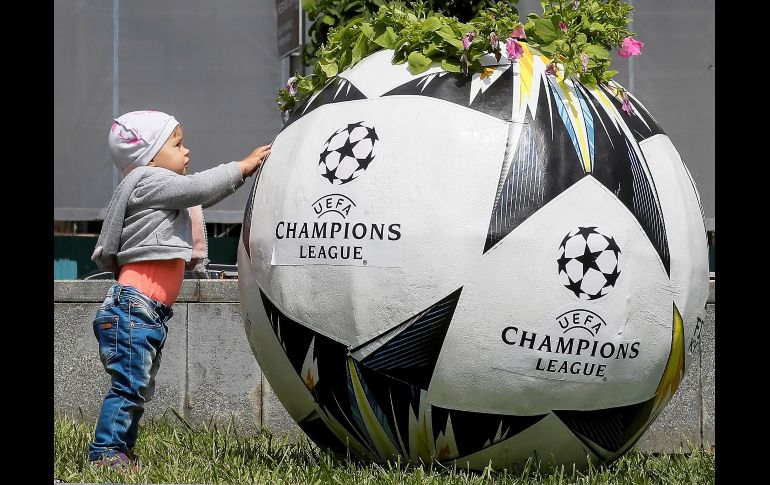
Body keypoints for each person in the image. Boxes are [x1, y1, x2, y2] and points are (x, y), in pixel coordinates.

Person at [87, 110, 271, 468]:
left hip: (146, 312)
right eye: (177, 144)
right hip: (134, 308)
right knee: (129, 387)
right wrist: (242, 167)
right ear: (149, 154)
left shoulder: (153, 184)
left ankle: (120, 452)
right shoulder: (148, 180)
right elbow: (199, 188)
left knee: (135, 388)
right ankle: (106, 453)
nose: (187, 151)